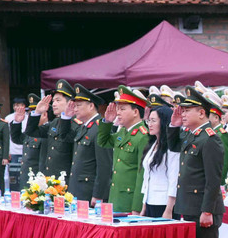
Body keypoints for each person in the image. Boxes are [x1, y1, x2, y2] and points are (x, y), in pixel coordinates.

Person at [168, 86, 225, 238]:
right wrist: (172, 125)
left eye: (187, 110)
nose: (183, 113)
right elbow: (172, 146)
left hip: (204, 209)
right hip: (190, 206)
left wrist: (207, 210)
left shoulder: (210, 139)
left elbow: (213, 181)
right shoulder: (193, 136)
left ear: (201, 113)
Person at [97, 85, 150, 214]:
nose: (118, 112)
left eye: (122, 109)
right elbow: (103, 142)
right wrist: (107, 122)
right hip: (116, 197)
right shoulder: (123, 133)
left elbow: (141, 174)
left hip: (129, 200)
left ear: (135, 112)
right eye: (117, 108)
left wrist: (136, 208)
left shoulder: (143, 136)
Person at [60, 84, 113, 205]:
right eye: (74, 105)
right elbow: (64, 137)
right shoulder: (83, 127)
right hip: (77, 190)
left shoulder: (100, 129)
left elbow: (104, 165)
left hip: (89, 192)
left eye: (78, 105)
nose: (75, 109)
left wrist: (99, 195)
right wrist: (66, 118)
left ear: (91, 106)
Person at [25, 79, 75, 178]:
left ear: (70, 103)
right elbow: (31, 131)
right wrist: (37, 113)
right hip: (50, 178)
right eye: (53, 101)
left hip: (65, 179)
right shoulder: (55, 122)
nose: (54, 104)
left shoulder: (76, 123)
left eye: (58, 100)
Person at [140, 105, 179, 218]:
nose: (149, 124)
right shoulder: (153, 145)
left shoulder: (171, 147)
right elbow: (147, 178)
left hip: (164, 203)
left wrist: (169, 209)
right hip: (150, 201)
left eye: (153, 121)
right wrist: (144, 205)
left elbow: (174, 179)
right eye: (148, 120)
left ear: (163, 122)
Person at [10, 93, 46, 189]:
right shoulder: (30, 132)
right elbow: (17, 139)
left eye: (35, 111)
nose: (32, 115)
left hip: (38, 180)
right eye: (30, 112)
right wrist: (17, 122)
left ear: (44, 113)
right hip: (26, 177)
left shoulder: (46, 132)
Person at [3, 97, 28, 190]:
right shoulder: (8, 118)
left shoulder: (29, 118)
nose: (18, 108)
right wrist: (7, 152)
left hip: (25, 151)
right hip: (12, 151)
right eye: (16, 105)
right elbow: (6, 137)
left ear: (24, 106)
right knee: (12, 176)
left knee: (24, 174)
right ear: (13, 107)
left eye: (20, 105)